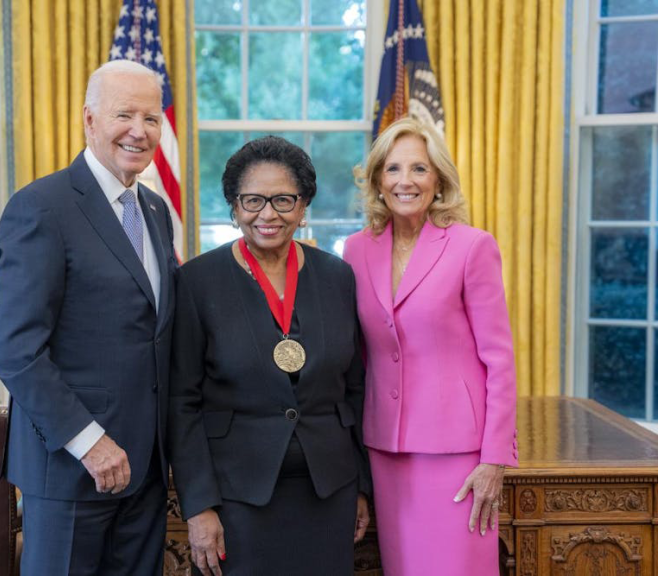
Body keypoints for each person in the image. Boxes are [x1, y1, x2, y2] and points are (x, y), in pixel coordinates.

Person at [0, 60, 177, 575]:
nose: (139, 131)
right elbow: (15, 350)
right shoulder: (41, 207)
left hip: (145, 468)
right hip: (71, 469)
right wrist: (90, 442)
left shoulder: (156, 212)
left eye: (152, 117)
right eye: (124, 114)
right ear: (89, 119)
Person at [168, 136, 371, 576]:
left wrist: (362, 487)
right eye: (253, 200)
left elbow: (354, 388)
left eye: (283, 199)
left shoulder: (338, 277)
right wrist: (199, 505)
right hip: (237, 494)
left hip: (329, 489)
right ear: (233, 206)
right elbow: (182, 402)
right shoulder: (197, 282)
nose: (268, 214)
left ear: (303, 206)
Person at [343, 117, 518, 576]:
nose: (406, 181)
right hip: (386, 448)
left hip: (459, 453)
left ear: (438, 179)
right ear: (378, 180)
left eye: (419, 169)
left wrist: (494, 458)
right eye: (394, 169)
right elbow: (357, 353)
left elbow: (498, 359)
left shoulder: (471, 247)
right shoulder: (356, 250)